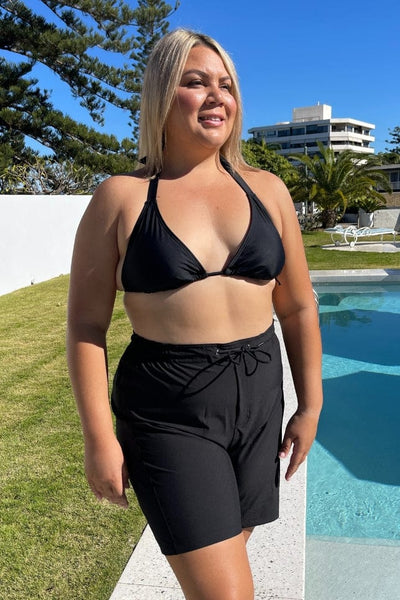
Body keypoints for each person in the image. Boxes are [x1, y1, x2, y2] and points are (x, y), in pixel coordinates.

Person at [67, 28, 322, 600]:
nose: (216, 97)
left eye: (226, 85)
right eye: (195, 82)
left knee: (222, 573)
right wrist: (98, 436)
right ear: (162, 93)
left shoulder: (269, 190)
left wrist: (311, 403)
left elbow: (299, 304)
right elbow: (86, 326)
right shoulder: (122, 196)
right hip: (168, 407)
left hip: (258, 398)